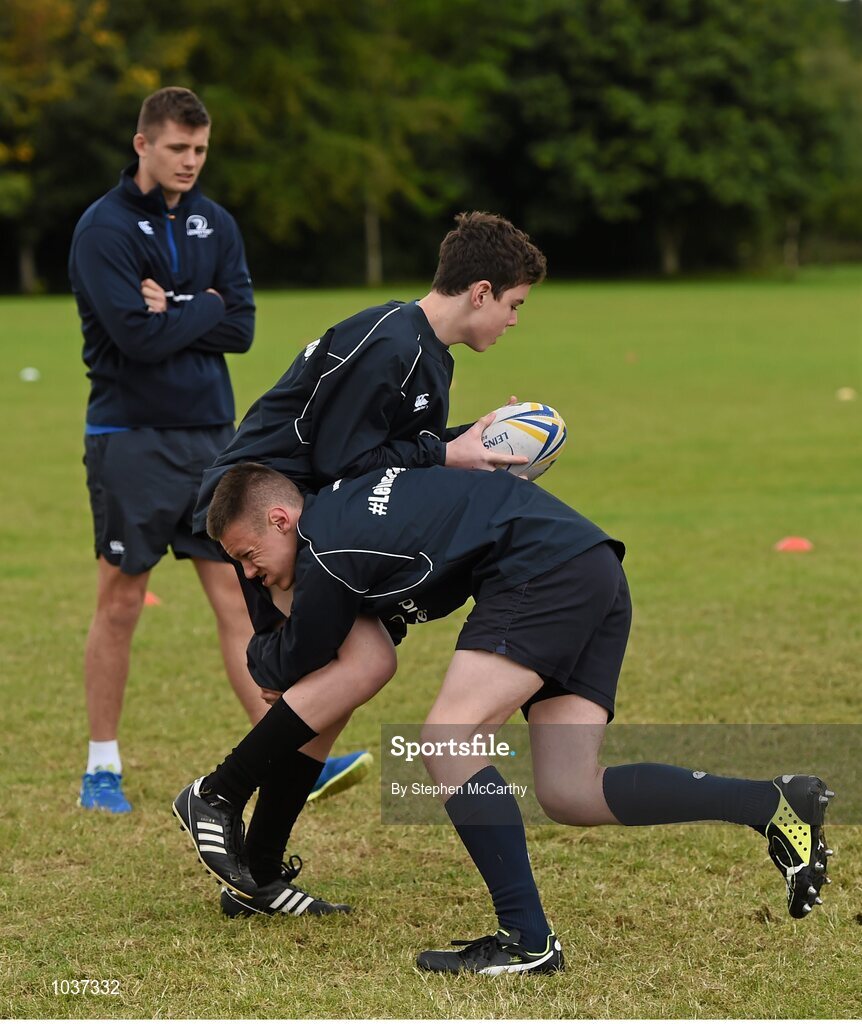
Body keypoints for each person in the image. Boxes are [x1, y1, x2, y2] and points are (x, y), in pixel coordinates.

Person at [172, 462, 834, 969]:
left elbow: (292, 663)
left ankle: (526, 941)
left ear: (283, 520)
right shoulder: (349, 511)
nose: (250, 574)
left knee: (447, 739)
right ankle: (773, 803)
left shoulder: (329, 550)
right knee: (570, 790)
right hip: (592, 566)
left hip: (540, 572)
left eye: (249, 556)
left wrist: (265, 648)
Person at [184, 211, 547, 915]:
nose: (512, 320)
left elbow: (378, 454)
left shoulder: (422, 350)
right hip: (265, 517)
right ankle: (216, 794)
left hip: (310, 514)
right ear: (479, 290)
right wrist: (448, 452)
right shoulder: (392, 344)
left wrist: (468, 444)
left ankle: (256, 872)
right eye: (513, 304)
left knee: (336, 688)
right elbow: (345, 466)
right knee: (362, 665)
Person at [68, 86, 367, 820]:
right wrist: (202, 306)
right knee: (122, 600)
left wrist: (179, 305)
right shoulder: (102, 230)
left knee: (239, 601)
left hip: (211, 437)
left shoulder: (215, 222)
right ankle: (101, 768)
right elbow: (134, 340)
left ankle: (286, 751)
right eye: (177, 148)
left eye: (199, 150)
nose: (190, 162)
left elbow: (241, 328)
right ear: (143, 145)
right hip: (130, 439)